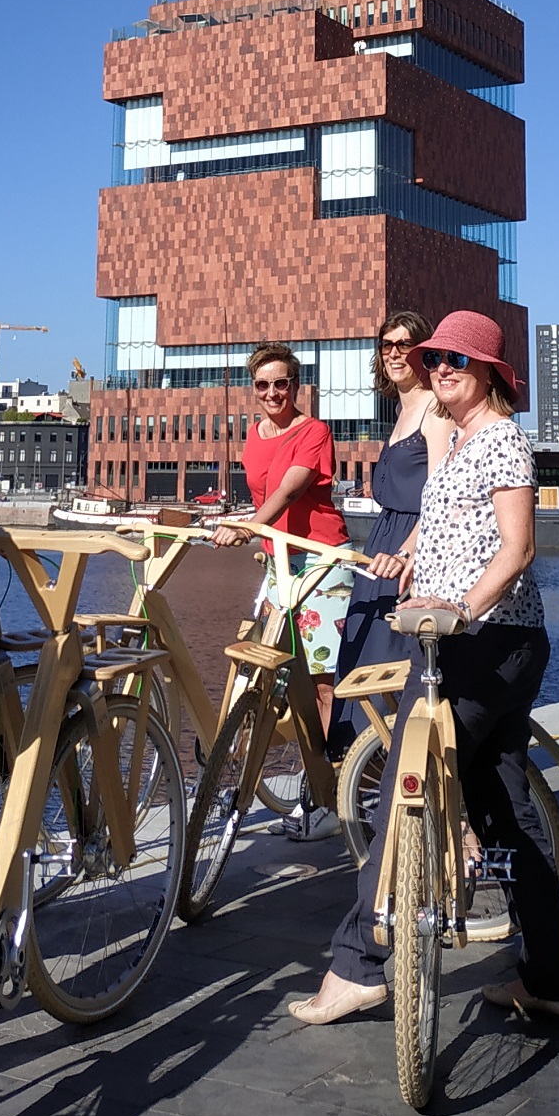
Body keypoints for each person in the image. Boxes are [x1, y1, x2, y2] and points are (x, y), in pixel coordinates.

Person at [288, 310, 559, 1024]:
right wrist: (414, 561)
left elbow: (518, 548)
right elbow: (443, 526)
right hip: (473, 640)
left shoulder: (502, 439)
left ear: (489, 373)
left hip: (481, 645)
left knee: (399, 791)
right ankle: (550, 978)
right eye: (436, 357)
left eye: (458, 359)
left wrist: (460, 611)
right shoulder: (462, 440)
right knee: (504, 814)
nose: (442, 367)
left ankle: (358, 964)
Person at [211, 341, 353, 840]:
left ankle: (325, 800)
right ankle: (279, 781)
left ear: (297, 386)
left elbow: (290, 490)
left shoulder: (312, 431)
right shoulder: (253, 434)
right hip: (280, 565)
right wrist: (254, 534)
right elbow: (261, 497)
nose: (273, 392)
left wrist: (249, 526)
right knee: (267, 670)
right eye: (263, 384)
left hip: (320, 562)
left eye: (282, 383)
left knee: (319, 679)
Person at [327, 310, 449, 760]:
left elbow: (439, 497)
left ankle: (391, 783)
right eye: (386, 345)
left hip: (405, 559)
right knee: (360, 663)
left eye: (404, 345)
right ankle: (357, 786)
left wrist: (406, 554)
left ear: (422, 351)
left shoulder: (436, 410)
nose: (394, 353)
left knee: (391, 672)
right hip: (378, 554)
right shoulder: (400, 412)